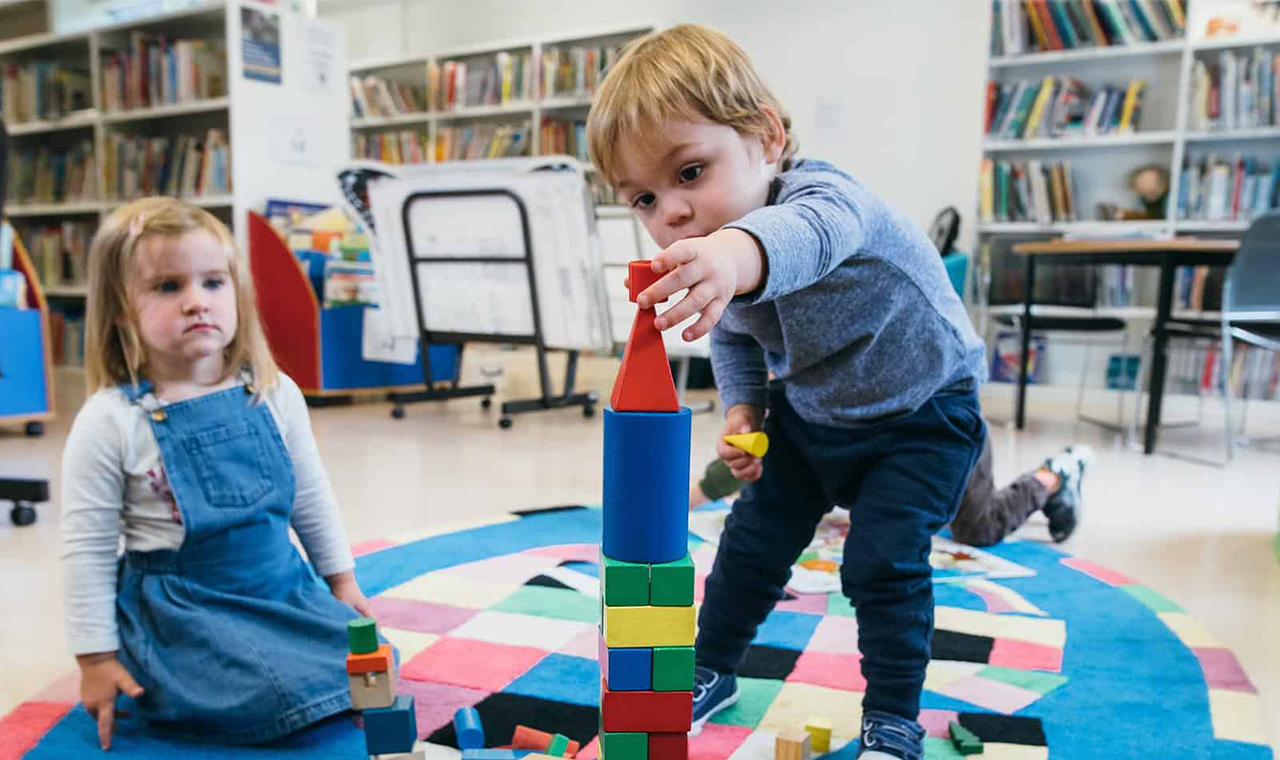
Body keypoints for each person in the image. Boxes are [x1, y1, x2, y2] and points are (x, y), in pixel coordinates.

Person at [587, 25, 989, 759]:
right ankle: (710, 667)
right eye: (643, 197)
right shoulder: (724, 256)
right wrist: (745, 407)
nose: (669, 212)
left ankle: (894, 716)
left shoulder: (828, 200)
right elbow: (739, 333)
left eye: (689, 172)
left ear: (767, 137)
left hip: (925, 413)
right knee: (749, 545)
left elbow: (797, 236)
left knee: (882, 563)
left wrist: (729, 257)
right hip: (813, 413)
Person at [61, 197, 373, 749]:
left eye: (212, 283)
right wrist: (95, 658)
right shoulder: (110, 421)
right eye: (167, 286)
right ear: (119, 311)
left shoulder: (273, 393)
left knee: (364, 660)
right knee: (261, 691)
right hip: (185, 608)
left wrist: (341, 582)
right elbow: (86, 550)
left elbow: (310, 497)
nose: (195, 303)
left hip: (279, 584)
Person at [692, 436, 1093, 547]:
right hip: (885, 460)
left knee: (977, 528)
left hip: (944, 433)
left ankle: (1053, 474)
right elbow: (738, 462)